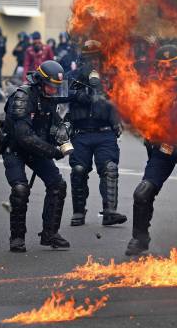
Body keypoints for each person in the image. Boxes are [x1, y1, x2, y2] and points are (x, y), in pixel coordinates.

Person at [125, 45, 177, 256]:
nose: (167, 71)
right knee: (143, 192)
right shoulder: (152, 86)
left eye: (171, 66)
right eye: (162, 67)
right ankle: (139, 239)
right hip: (165, 148)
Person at [0, 60, 71, 252]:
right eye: (50, 86)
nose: (54, 90)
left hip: (36, 150)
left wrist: (62, 134)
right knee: (21, 189)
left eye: (57, 87)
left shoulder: (47, 96)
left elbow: (56, 122)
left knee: (58, 184)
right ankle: (17, 237)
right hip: (15, 149)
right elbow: (24, 137)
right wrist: (52, 152)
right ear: (39, 81)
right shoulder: (22, 97)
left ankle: (50, 234)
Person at [66, 40, 126, 227]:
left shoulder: (111, 76)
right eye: (89, 58)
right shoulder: (74, 76)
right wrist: (78, 94)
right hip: (81, 132)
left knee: (109, 169)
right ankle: (78, 212)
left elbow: (123, 97)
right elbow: (59, 91)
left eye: (96, 58)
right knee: (78, 170)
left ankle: (110, 212)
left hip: (105, 132)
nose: (93, 62)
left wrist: (104, 90)